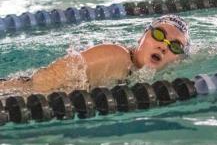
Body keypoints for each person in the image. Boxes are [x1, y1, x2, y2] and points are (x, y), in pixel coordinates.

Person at [0, 14, 190, 95]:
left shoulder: (139, 74)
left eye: (175, 46)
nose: (163, 46)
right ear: (142, 37)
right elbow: (39, 83)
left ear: (178, 59)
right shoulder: (116, 56)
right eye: (158, 35)